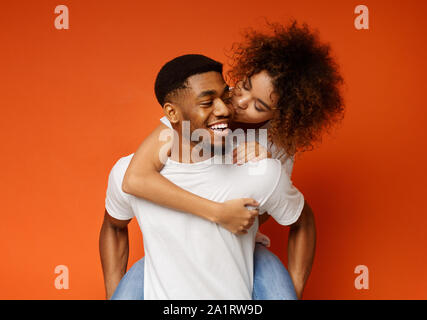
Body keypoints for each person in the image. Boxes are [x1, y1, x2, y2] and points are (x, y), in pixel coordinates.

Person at [105, 21, 344, 299]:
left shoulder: (275, 151)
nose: (241, 103)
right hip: (178, 249)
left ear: (279, 116)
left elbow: (270, 209)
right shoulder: (196, 118)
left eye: (259, 106)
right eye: (242, 87)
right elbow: (135, 178)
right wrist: (217, 212)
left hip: (244, 249)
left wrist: (263, 168)